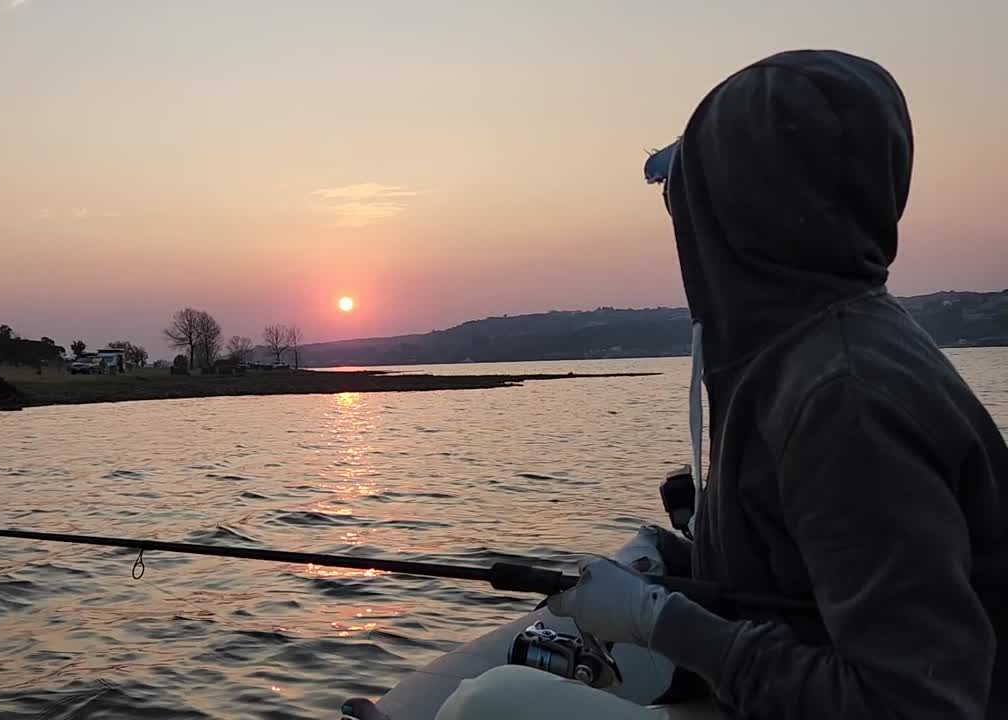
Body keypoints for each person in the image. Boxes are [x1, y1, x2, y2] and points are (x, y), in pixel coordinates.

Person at [432, 48, 1007, 719]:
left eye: (687, 192)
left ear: (740, 213)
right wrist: (687, 553)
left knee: (490, 704)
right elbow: (815, 584)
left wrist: (656, 620)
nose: (680, 217)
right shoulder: (827, 351)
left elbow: (917, 703)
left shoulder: (844, 399)